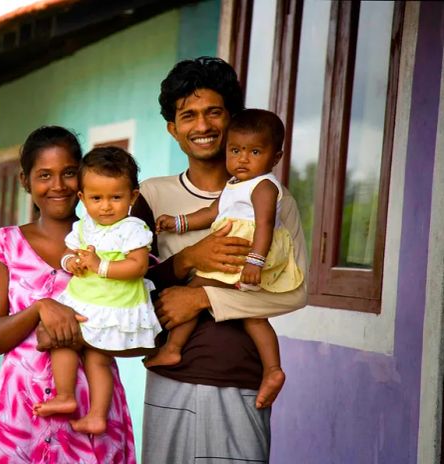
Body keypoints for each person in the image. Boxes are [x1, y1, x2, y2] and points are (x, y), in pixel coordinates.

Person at [131, 57, 307, 463]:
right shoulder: (151, 197)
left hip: (241, 379)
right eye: (187, 115)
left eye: (214, 112)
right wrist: (188, 258)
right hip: (169, 378)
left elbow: (295, 293)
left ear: (232, 119)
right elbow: (127, 286)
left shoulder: (275, 200)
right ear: (173, 129)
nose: (203, 126)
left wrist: (203, 298)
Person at [0, 126, 136, 464]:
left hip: (93, 414)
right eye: (44, 175)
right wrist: (40, 309)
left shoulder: (113, 245)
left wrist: (87, 335)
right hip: (21, 416)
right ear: (24, 181)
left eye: (69, 173)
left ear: (84, 177)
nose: (58, 185)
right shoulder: (3, 246)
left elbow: (143, 331)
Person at [146, 109, 304, 410]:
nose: (243, 159)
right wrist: (178, 223)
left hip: (246, 257)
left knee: (193, 291)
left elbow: (266, 224)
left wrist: (255, 261)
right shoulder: (234, 185)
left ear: (276, 156)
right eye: (235, 151)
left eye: (254, 151)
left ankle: (174, 348)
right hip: (237, 257)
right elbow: (210, 215)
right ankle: (273, 369)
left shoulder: (265, 187)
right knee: (253, 317)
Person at [34, 147, 162, 435]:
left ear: (133, 196)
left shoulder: (133, 228)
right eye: (96, 198)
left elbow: (138, 266)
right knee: (62, 340)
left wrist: (99, 265)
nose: (106, 206)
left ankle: (96, 415)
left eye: (116, 197)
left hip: (115, 305)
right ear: (82, 198)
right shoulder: (85, 227)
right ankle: (66, 395)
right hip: (84, 301)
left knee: (98, 358)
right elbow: (67, 253)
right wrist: (72, 262)